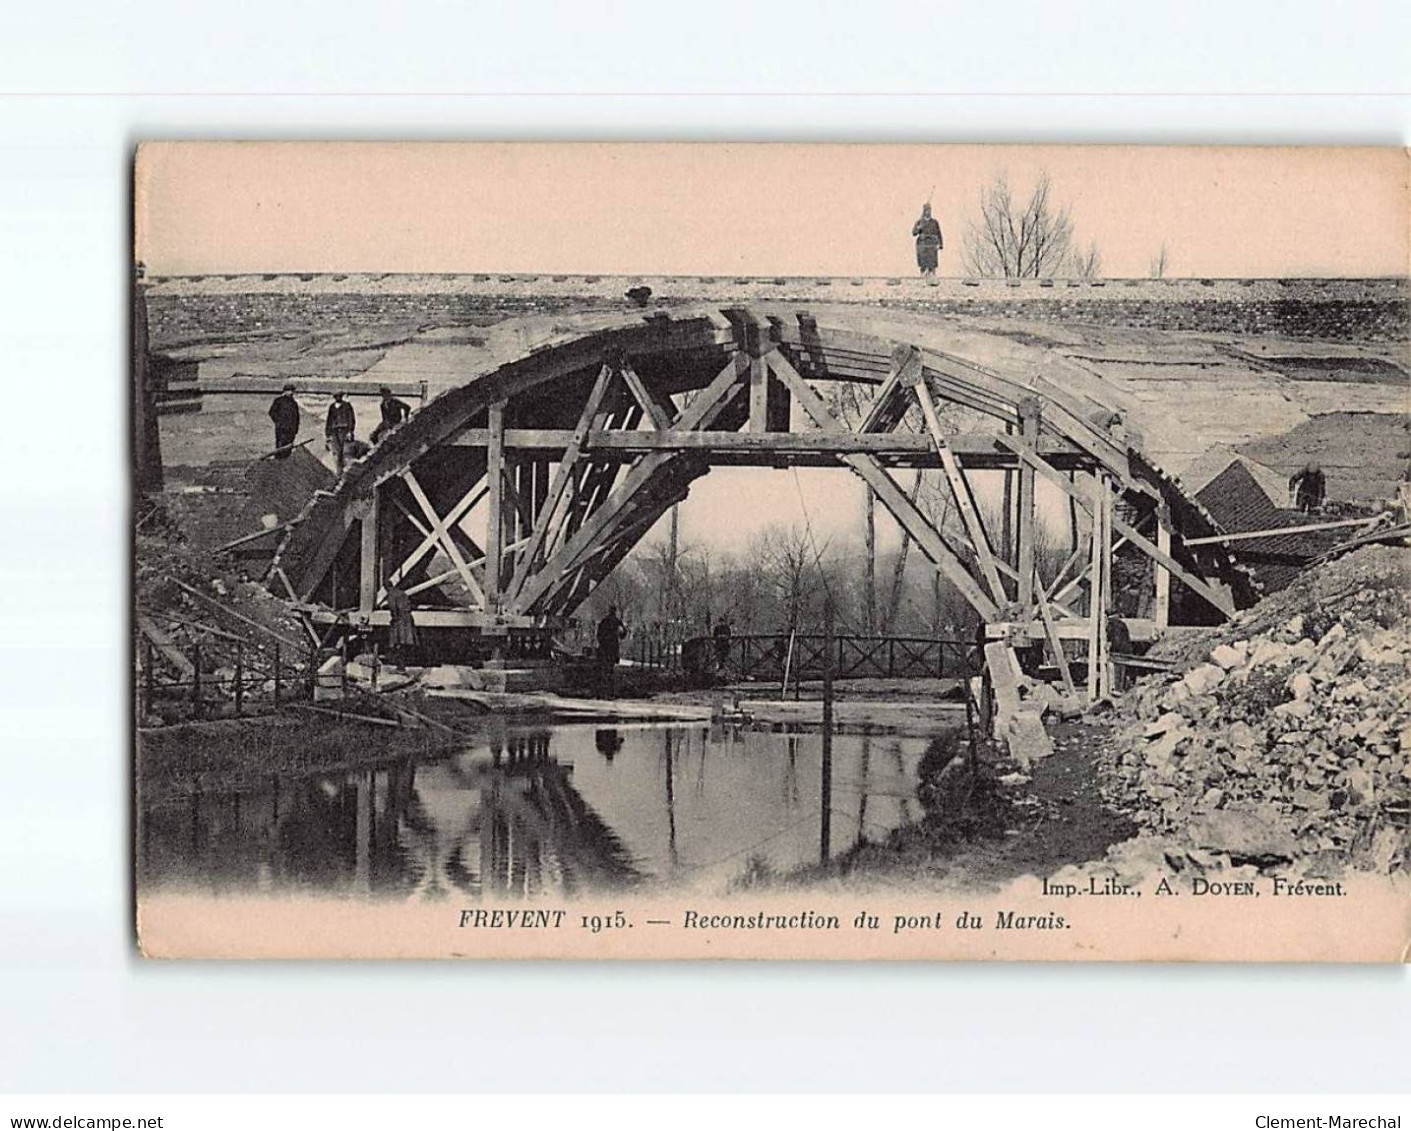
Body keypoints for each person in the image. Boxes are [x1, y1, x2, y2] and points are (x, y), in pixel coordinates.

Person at [596, 605, 627, 698]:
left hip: (604, 648)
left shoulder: (604, 621)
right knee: (610, 670)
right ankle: (610, 693)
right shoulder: (617, 622)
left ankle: (601, 693)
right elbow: (623, 633)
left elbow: (598, 634)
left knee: (602, 670)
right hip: (613, 648)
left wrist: (601, 642)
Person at [385, 581, 418, 668]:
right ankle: (403, 665)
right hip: (408, 619)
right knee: (405, 643)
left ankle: (400, 666)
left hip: (399, 620)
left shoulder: (391, 594)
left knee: (397, 643)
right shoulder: (402, 592)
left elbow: (393, 609)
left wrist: (393, 619)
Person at [325, 392, 357, 473]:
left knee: (346, 452)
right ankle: (339, 473)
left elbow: (351, 419)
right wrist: (327, 434)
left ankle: (348, 472)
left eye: (339, 396)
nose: (337, 398)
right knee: (336, 453)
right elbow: (329, 420)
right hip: (334, 431)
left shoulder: (347, 406)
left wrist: (350, 431)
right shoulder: (332, 407)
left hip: (344, 431)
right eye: (336, 396)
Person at [268, 384, 300, 459]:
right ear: (285, 391)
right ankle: (279, 463)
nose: (291, 392)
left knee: (288, 448)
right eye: (289, 391)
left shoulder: (294, 403)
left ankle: (286, 464)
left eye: (292, 391)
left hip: (291, 430)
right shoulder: (279, 401)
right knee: (280, 448)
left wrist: (295, 429)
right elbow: (272, 412)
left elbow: (297, 417)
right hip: (281, 430)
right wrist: (279, 423)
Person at [912, 202, 943, 276]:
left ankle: (932, 276)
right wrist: (918, 228)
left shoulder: (934, 222)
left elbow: (939, 233)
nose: (928, 212)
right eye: (926, 210)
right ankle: (923, 275)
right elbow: (914, 233)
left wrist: (940, 244)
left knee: (932, 265)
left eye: (929, 210)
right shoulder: (920, 222)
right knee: (923, 264)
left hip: (932, 245)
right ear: (923, 211)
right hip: (922, 245)